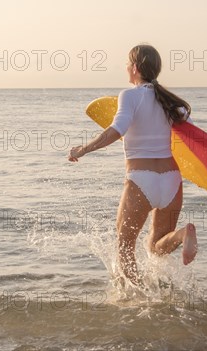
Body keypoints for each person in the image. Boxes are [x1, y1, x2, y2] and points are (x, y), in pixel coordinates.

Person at [68, 44, 198, 287]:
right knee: (156, 246)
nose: (126, 68)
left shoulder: (129, 95)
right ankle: (182, 234)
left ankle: (136, 300)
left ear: (135, 68)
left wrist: (83, 149)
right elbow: (197, 142)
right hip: (172, 181)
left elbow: (117, 130)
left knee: (125, 245)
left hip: (141, 179)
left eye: (128, 63)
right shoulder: (174, 104)